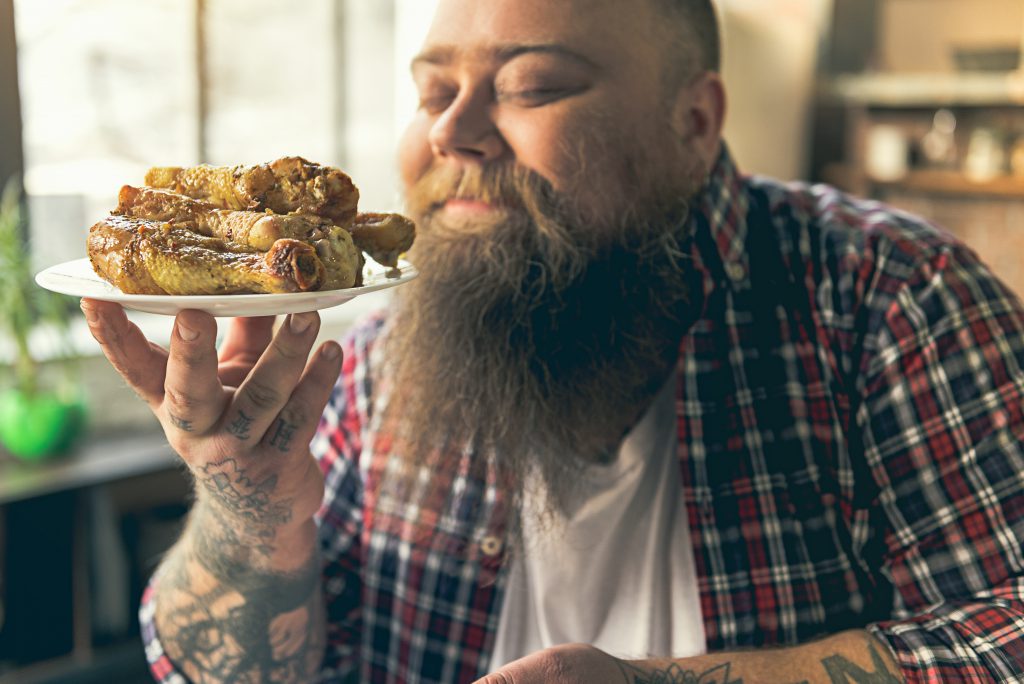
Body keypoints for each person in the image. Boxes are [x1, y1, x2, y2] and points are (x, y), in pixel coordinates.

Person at [82, 0, 1024, 682]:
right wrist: (251, 503)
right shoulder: (371, 364)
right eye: (431, 90)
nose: (451, 132)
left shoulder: (890, 301)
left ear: (693, 123)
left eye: (531, 86)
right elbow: (227, 673)